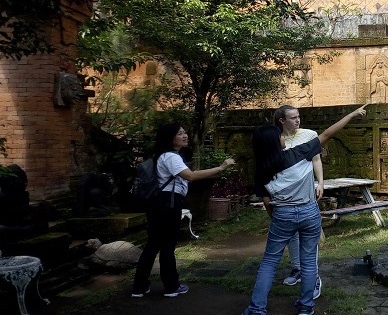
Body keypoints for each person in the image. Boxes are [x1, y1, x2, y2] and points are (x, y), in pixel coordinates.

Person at [243, 104, 368, 315]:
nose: (283, 137)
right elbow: (329, 132)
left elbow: (266, 201)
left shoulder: (261, 169)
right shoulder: (299, 152)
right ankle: (306, 307)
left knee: (269, 262)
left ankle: (257, 309)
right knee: (309, 261)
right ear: (275, 141)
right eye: (279, 136)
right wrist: (352, 115)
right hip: (309, 211)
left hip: (282, 213)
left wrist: (277, 218)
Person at [131, 123, 235, 298]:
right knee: (167, 246)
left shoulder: (162, 156)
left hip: (158, 202)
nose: (185, 135)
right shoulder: (171, 157)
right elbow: (191, 176)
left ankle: (139, 287)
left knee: (153, 245)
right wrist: (221, 167)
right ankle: (172, 287)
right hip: (168, 203)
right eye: (180, 133)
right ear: (170, 138)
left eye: (185, 132)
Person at [272, 105, 323, 298]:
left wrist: (320, 183)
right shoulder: (275, 139)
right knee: (290, 235)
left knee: (309, 237)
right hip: (285, 198)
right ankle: (297, 268)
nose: (297, 120)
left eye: (298, 117)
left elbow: (316, 160)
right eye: (293, 118)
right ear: (281, 121)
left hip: (306, 195)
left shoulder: (309, 135)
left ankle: (314, 276)